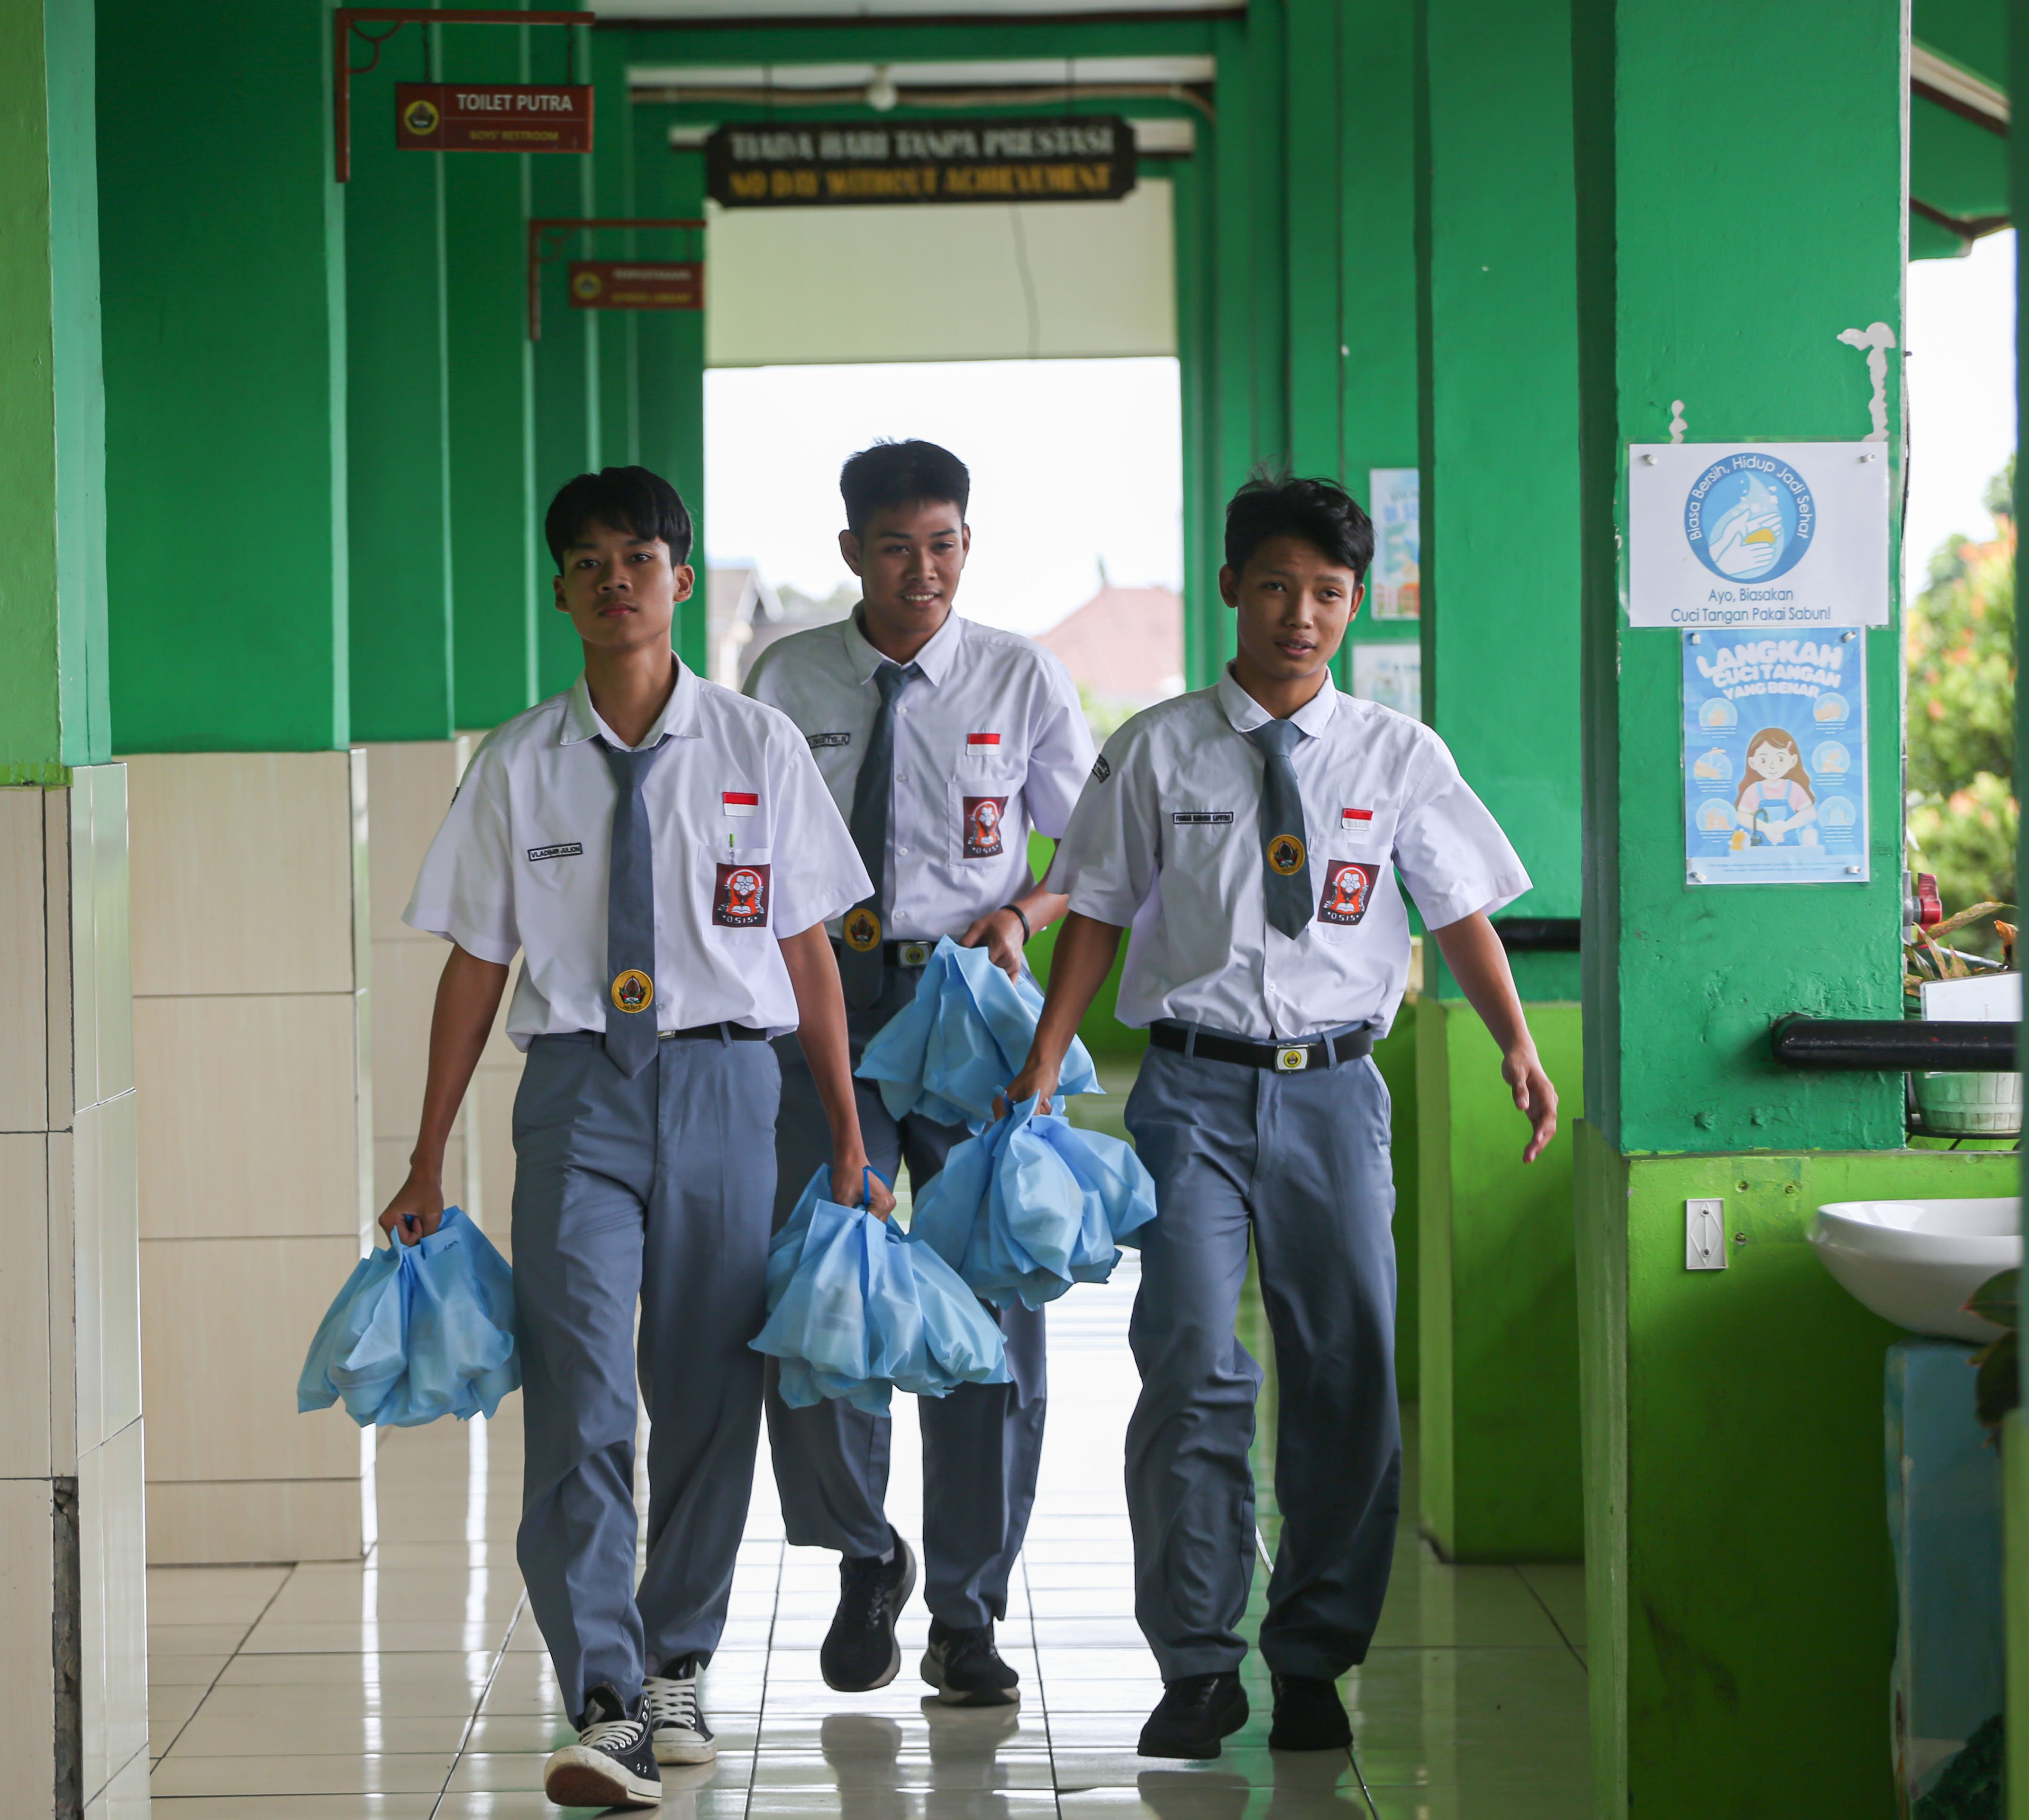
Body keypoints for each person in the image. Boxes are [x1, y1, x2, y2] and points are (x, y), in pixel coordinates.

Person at [1000, 473, 1559, 1760]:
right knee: (1191, 1360)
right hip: (1189, 1089)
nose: (1300, 615)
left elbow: (1457, 905)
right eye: (1276, 587)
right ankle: (1198, 1660)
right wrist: (1046, 1057)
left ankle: (1313, 1651)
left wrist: (1516, 1040)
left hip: (1336, 1092)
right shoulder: (1158, 747)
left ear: (1352, 604)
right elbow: (1094, 905)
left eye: (1327, 593)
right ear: (1232, 590)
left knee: (1346, 1369)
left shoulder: (1399, 756)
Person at [385, 466, 889, 1809]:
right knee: (582, 1389)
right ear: (561, 590)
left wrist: (845, 1136)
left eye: (642, 557)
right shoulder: (519, 763)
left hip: (734, 1089)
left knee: (710, 1386)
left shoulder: (757, 751)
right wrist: (426, 1156)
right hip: (576, 1097)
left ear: (679, 577)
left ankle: (679, 1659)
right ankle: (601, 1691)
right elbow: (473, 968)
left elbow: (811, 957)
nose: (618, 579)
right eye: (590, 561)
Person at [743, 439, 1095, 1707]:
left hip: (970, 1006)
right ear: (852, 553)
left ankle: (968, 1607)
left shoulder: (1021, 674)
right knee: (820, 1283)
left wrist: (1029, 914)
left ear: (967, 544)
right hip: (824, 1000)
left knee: (996, 1305)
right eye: (896, 547)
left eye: (944, 543)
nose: (923, 570)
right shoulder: (786, 679)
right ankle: (862, 1552)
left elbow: (1092, 852)